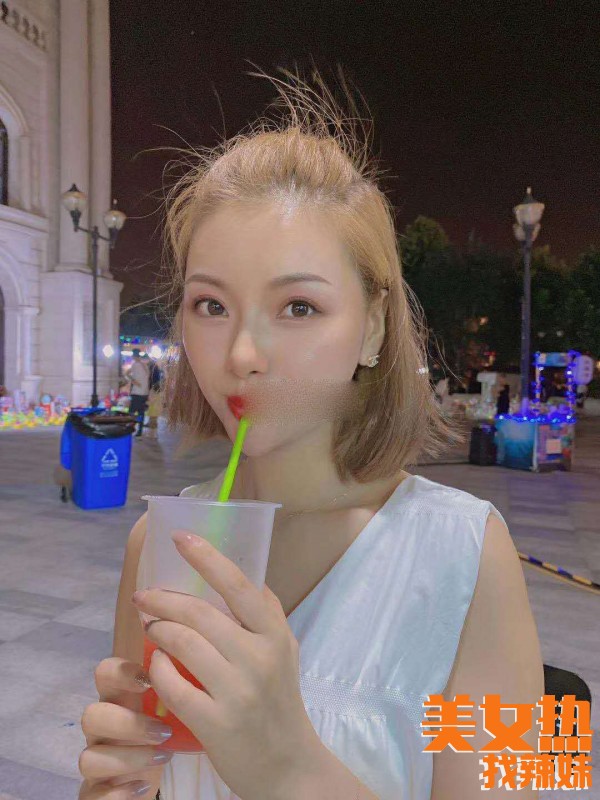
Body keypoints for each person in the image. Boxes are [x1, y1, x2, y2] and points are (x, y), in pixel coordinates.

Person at [78, 71, 544, 800]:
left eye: (298, 306)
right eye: (210, 305)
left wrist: (286, 766)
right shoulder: (161, 545)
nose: (241, 353)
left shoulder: (468, 554)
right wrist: (117, 785)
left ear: (375, 326)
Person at [127, 349, 151, 437]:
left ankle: (130, 428)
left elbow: (128, 375)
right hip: (144, 393)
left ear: (133, 356)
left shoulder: (135, 365)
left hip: (137, 393)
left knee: (131, 412)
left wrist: (132, 380)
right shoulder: (145, 365)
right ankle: (140, 430)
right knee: (141, 412)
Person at [147, 360, 164, 439]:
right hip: (157, 406)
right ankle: (155, 434)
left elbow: (151, 400)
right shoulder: (159, 389)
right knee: (154, 419)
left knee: (152, 419)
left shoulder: (152, 389)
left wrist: (148, 401)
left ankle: (152, 434)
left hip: (153, 406)